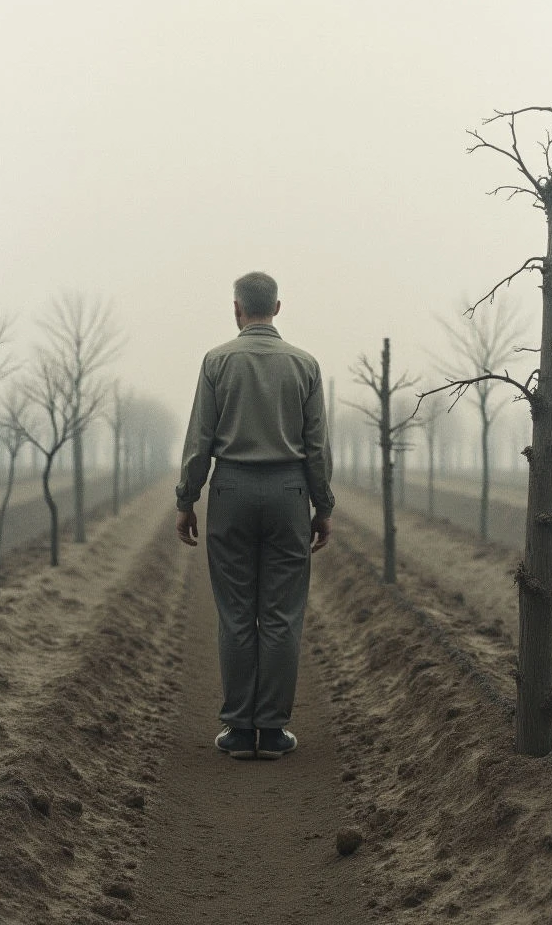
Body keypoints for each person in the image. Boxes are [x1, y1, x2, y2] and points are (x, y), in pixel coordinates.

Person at [175, 271, 334, 760]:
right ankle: (273, 730)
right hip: (288, 493)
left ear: (237, 308)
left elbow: (201, 438)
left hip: (231, 491)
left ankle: (240, 730)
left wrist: (187, 498)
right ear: (278, 308)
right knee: (283, 615)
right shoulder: (305, 365)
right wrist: (322, 505)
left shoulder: (217, 361)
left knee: (236, 612)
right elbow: (316, 446)